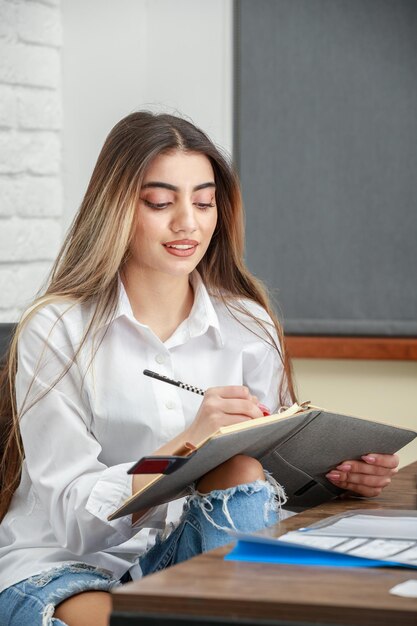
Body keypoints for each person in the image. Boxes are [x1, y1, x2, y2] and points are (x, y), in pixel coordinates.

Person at [0, 112, 398, 626]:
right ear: (114, 208)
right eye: (161, 202)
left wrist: (336, 479)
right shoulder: (56, 330)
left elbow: (262, 491)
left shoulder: (247, 324)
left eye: (204, 202)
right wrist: (186, 447)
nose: (188, 222)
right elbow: (77, 522)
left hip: (193, 557)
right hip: (61, 567)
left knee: (241, 468)